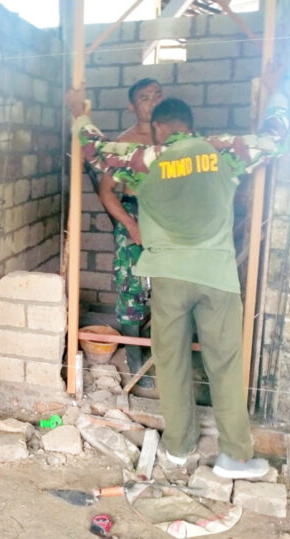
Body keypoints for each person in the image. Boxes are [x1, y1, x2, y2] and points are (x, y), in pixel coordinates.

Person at [66, 79, 288, 479]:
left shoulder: (146, 159)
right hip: (217, 276)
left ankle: (177, 450)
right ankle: (235, 456)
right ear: (190, 124)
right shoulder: (223, 151)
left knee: (171, 362)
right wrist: (278, 96)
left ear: (160, 128)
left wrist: (80, 112)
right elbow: (276, 136)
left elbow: (92, 149)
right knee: (224, 363)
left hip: (168, 277)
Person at [97, 78, 163, 386]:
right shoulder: (123, 143)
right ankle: (137, 363)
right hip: (133, 212)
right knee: (131, 289)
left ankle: (164, 358)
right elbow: (107, 192)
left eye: (157, 95)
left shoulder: (174, 138)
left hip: (167, 215)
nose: (152, 102)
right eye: (145, 98)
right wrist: (131, 225)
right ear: (132, 107)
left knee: (171, 291)